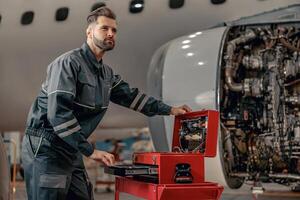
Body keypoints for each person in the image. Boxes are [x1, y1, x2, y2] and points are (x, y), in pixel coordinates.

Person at [21, 6, 191, 200]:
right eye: (104, 28)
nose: (110, 33)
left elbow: (133, 98)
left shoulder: (106, 74)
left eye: (114, 30)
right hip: (47, 148)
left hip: (71, 147)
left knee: (83, 195)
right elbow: (58, 114)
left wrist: (170, 110)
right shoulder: (67, 64)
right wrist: (91, 151)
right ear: (89, 31)